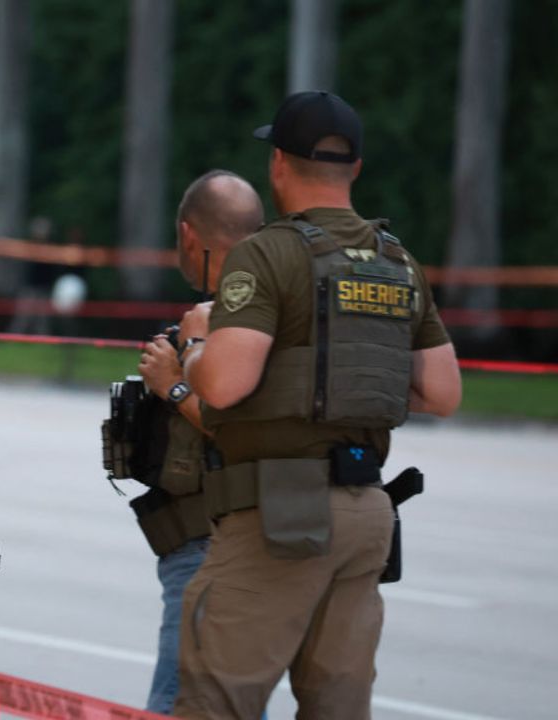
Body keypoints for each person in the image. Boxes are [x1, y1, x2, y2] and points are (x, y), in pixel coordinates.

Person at [173, 91, 462, 719]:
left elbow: (222, 385)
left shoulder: (268, 252)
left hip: (280, 516)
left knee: (215, 699)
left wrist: (192, 352)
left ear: (278, 163)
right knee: (338, 706)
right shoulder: (398, 262)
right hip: (367, 513)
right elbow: (443, 393)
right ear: (354, 168)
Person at [135, 169, 264, 715]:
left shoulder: (231, 324)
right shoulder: (279, 309)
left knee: (181, 700)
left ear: (189, 235)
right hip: (257, 540)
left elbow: (241, 428)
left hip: (211, 540)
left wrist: (173, 385)